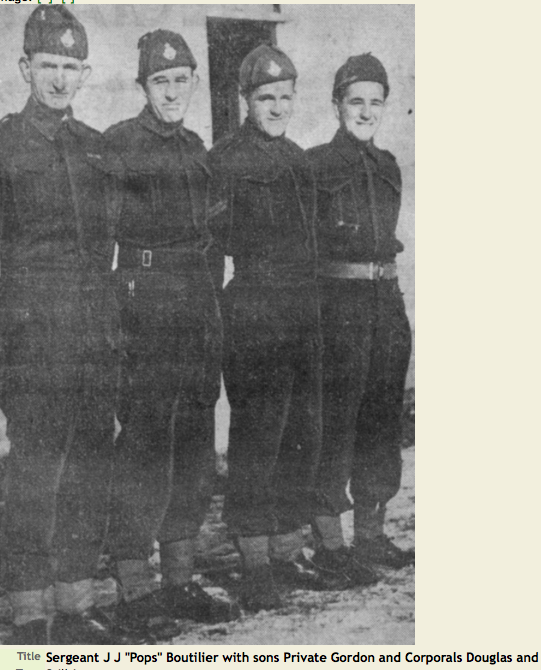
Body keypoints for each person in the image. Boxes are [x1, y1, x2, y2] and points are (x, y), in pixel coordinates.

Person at [0, 6, 125, 644]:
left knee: (88, 469)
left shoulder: (95, 148)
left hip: (93, 336)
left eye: (70, 66)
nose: (59, 78)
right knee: (35, 475)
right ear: (24, 68)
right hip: (33, 339)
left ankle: (76, 606)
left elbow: (107, 249)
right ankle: (32, 615)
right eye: (48, 65)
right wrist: (7, 335)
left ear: (84, 73)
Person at [103, 30, 238, 638]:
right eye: (161, 81)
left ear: (194, 83)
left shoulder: (196, 149)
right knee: (145, 448)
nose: (173, 91)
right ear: (143, 86)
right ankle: (135, 589)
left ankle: (180, 579)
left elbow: (212, 239)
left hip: (196, 308)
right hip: (146, 308)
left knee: (193, 444)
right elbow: (98, 240)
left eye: (182, 80)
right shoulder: (119, 146)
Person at [208, 44, 342, 612]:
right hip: (255, 311)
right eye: (267, 97)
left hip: (303, 310)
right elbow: (211, 246)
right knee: (257, 440)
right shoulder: (224, 160)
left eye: (286, 96)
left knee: (302, 436)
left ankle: (288, 553)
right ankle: (256, 564)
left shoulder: (297, 159)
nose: (278, 107)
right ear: (246, 99)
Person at [306, 54, 414, 573]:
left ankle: (371, 536)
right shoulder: (316, 166)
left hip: (385, 304)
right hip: (339, 305)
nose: (366, 112)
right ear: (337, 105)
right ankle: (331, 546)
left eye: (376, 102)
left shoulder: (388, 165)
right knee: (335, 423)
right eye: (356, 102)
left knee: (381, 423)